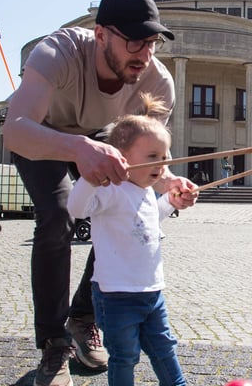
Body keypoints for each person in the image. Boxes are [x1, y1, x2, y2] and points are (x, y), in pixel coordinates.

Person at [2, 0, 198, 386]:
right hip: (43, 135)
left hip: (104, 134)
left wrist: (170, 186)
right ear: (101, 34)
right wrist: (76, 148)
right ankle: (54, 345)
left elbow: (150, 166)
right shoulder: (56, 53)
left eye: (152, 43)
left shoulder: (157, 83)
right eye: (134, 42)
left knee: (124, 213)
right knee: (57, 218)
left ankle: (83, 316)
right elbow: (15, 131)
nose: (144, 55)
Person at [67, 93, 190, 386]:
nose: (161, 166)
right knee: (124, 356)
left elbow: (149, 220)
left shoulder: (146, 190)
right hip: (115, 295)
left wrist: (171, 201)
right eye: (152, 157)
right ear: (121, 156)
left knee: (164, 348)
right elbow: (77, 208)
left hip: (152, 292)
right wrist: (89, 179)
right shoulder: (110, 189)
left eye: (164, 157)